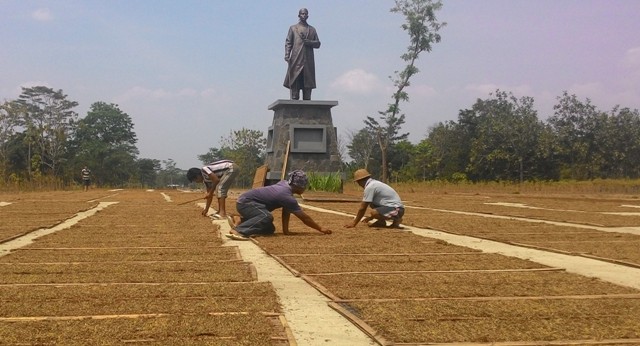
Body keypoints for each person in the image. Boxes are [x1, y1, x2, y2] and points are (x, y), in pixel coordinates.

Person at [225, 169, 332, 240]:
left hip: (249, 203)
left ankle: (240, 220)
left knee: (269, 229)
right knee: (266, 217)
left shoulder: (285, 185)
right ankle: (237, 231)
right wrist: (320, 229)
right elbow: (305, 218)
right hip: (246, 202)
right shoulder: (286, 195)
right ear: (300, 186)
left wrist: (286, 231)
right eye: (305, 186)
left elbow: (287, 210)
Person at [283, 8, 321, 100]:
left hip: (308, 61)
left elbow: (318, 44)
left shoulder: (312, 29)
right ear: (299, 15)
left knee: (307, 88)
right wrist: (287, 55)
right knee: (295, 84)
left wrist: (309, 42)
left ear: (308, 16)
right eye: (302, 14)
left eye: (305, 14)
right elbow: (288, 42)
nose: (304, 15)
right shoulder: (293, 28)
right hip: (296, 59)